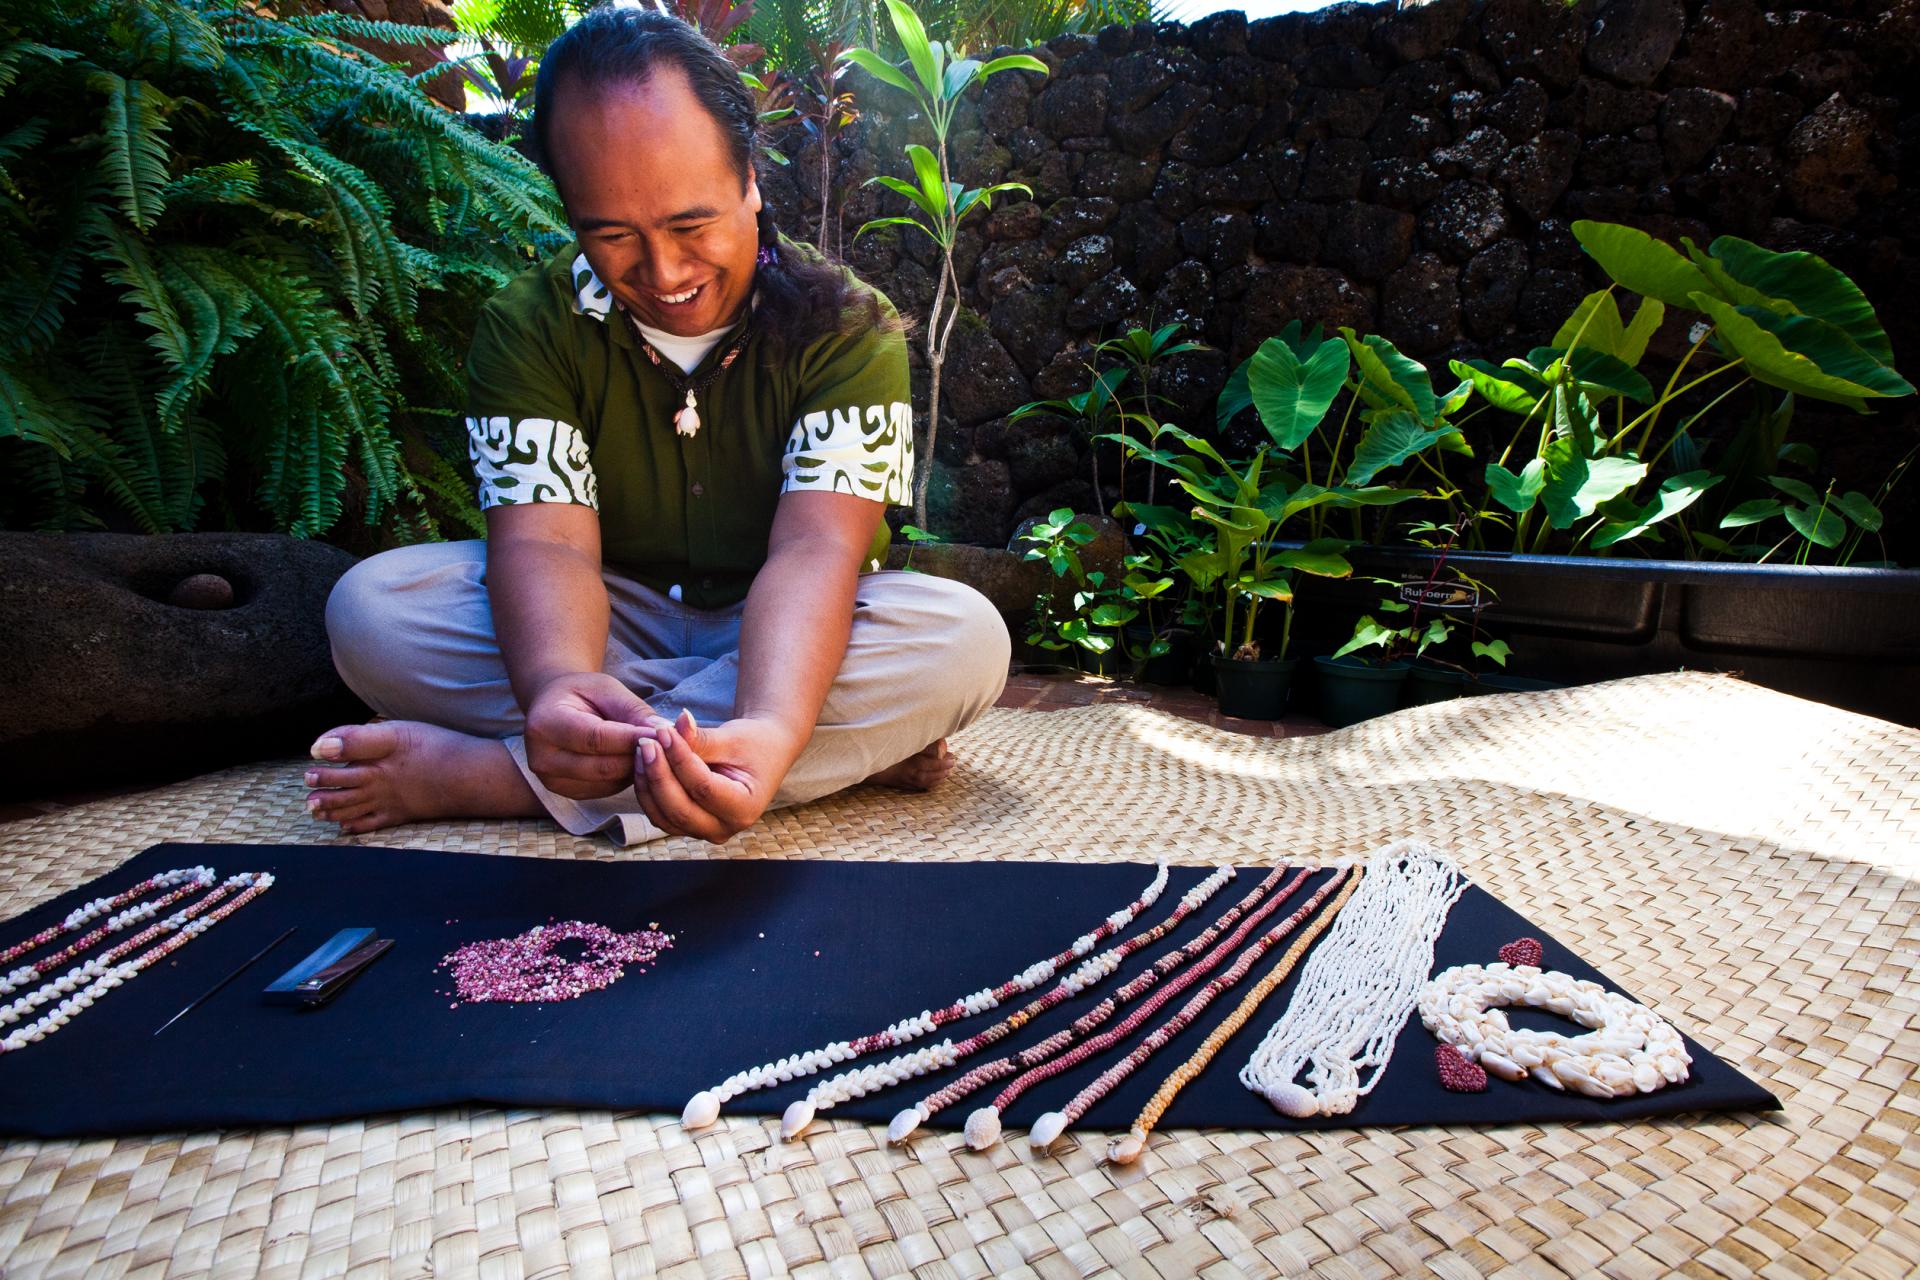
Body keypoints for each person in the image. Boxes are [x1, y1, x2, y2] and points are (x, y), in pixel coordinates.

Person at [307, 7, 1009, 846]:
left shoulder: (850, 329)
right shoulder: (530, 326)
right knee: (374, 611)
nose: (666, 272)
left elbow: (815, 553)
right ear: (568, 210)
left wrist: (778, 719)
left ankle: (506, 776)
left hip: (786, 625)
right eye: (611, 235)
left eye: (691, 224)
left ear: (750, 176)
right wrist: (557, 686)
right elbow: (547, 547)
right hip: (606, 619)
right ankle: (824, 751)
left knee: (965, 638)